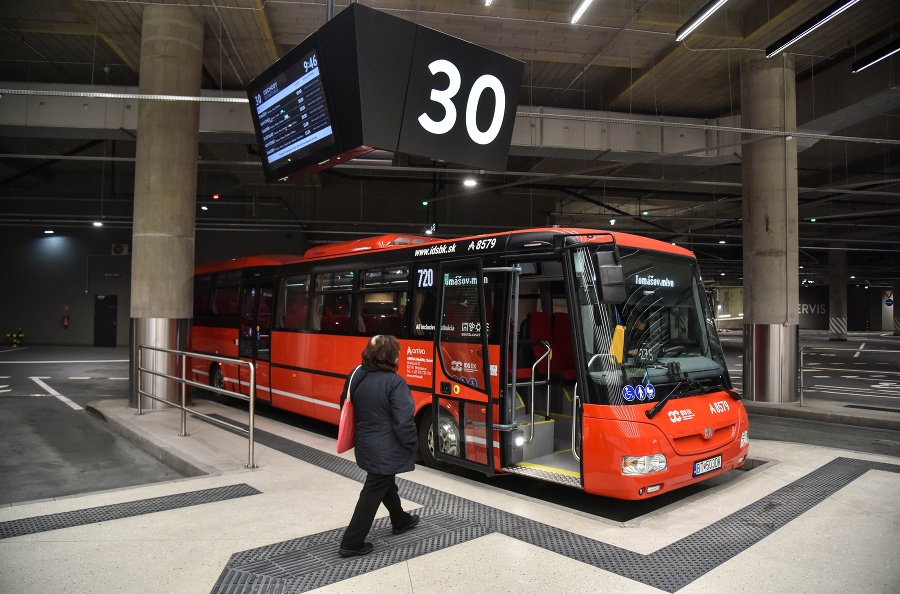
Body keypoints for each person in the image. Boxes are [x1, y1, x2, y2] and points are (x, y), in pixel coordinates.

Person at [338, 335, 420, 557]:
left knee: (383, 481)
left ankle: (400, 520)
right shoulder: (395, 382)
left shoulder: (355, 375)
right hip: (386, 448)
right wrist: (412, 443)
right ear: (391, 356)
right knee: (374, 488)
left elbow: (344, 407)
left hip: (365, 444)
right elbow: (404, 421)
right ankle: (351, 542)